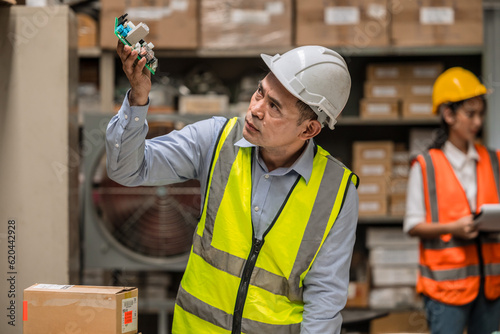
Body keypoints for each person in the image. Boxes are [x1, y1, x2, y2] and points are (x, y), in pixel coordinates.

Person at [106, 42, 359, 333]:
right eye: (259, 92)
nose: (255, 109)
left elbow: (325, 300)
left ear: (309, 129)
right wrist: (138, 100)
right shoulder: (216, 140)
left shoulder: (336, 191)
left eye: (274, 107)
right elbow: (126, 170)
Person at [403, 67, 500, 333]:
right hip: (446, 291)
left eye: (480, 114)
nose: (477, 122)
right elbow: (413, 225)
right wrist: (453, 228)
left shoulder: (494, 161)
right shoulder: (425, 167)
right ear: (448, 114)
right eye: (470, 114)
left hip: (491, 287)